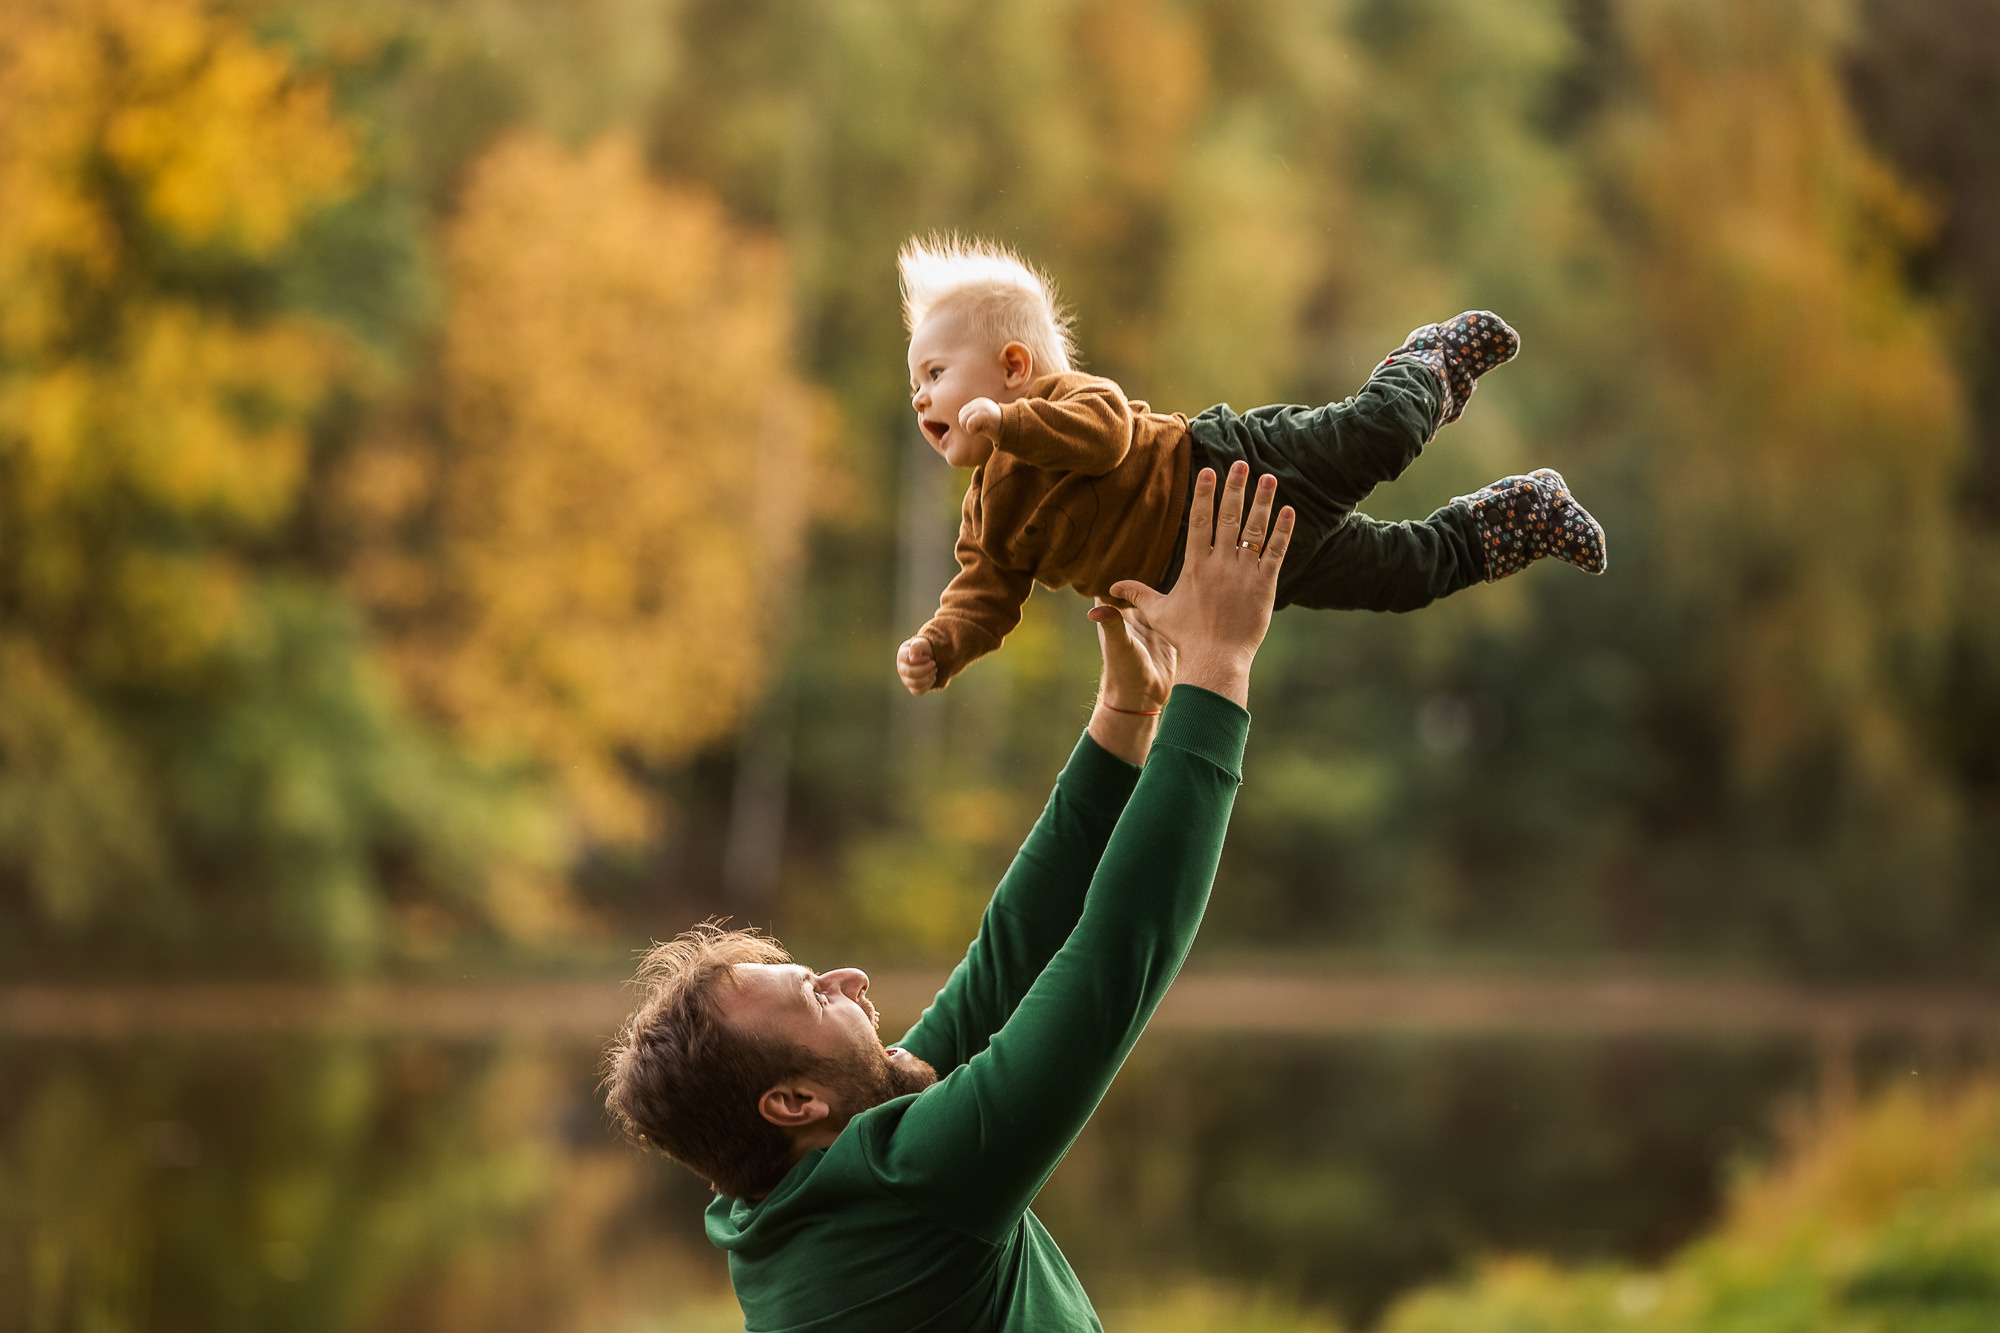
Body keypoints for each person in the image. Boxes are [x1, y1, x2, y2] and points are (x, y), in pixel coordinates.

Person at [605, 463, 1294, 1331]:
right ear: (790, 1103)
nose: (850, 977)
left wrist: (1125, 716)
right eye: (815, 995)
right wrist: (1220, 665)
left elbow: (1007, 962)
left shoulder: (788, 1198)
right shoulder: (909, 1187)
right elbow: (1113, 956)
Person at [894, 234, 1607, 694]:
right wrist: (942, 645)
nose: (922, 395)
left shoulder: (1066, 400)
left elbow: (1106, 438)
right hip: (1241, 569)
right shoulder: (987, 513)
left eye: (934, 372)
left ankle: (1428, 365)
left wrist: (1013, 424)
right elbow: (983, 592)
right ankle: (1517, 518)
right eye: (916, 383)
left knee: (1381, 433)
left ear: (1014, 367)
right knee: (1404, 576)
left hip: (1234, 468)